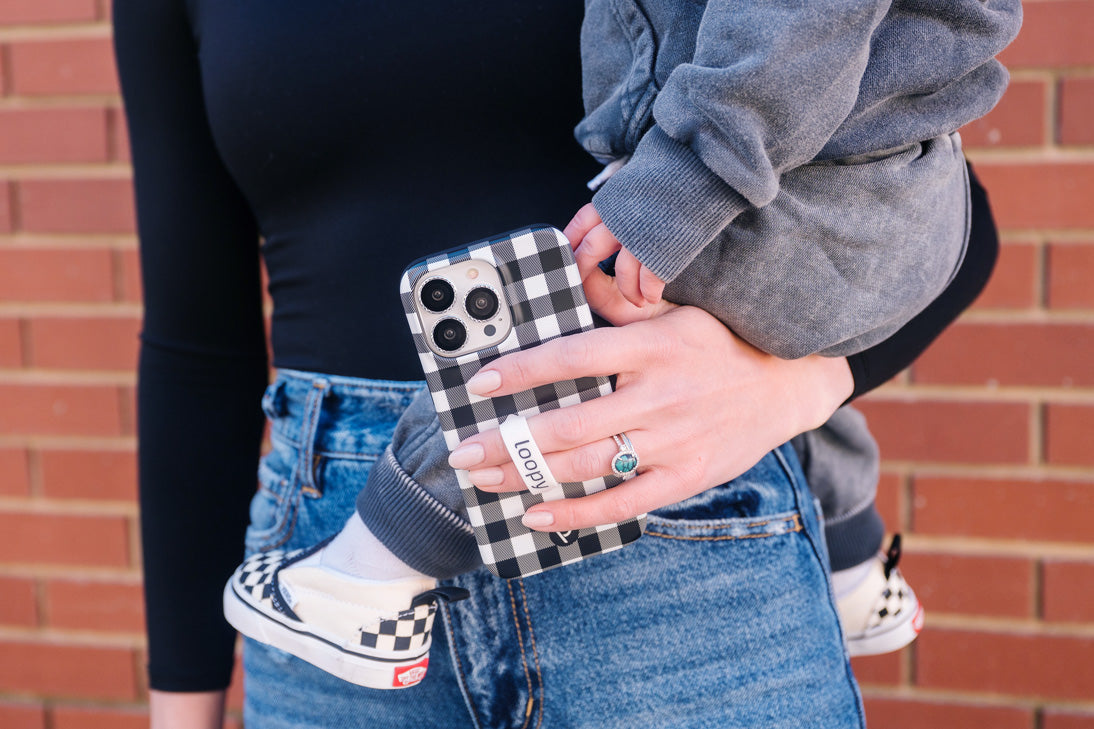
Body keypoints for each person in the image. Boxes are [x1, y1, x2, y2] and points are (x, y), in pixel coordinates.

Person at [114, 1, 1013, 728]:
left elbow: (931, 202)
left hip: (681, 536)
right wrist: (181, 705)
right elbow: (199, 351)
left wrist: (796, 389)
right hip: (325, 584)